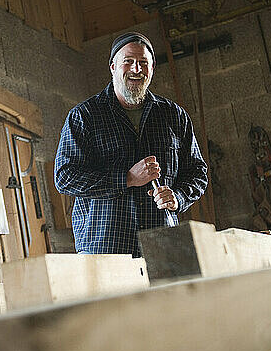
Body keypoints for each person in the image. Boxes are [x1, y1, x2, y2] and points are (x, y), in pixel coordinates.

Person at [54, 32, 208, 256]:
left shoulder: (174, 116)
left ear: (152, 68)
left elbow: (197, 173)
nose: (136, 69)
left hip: (164, 246)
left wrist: (178, 197)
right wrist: (127, 179)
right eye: (128, 61)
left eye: (143, 63)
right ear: (113, 67)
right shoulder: (84, 116)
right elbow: (65, 177)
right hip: (105, 249)